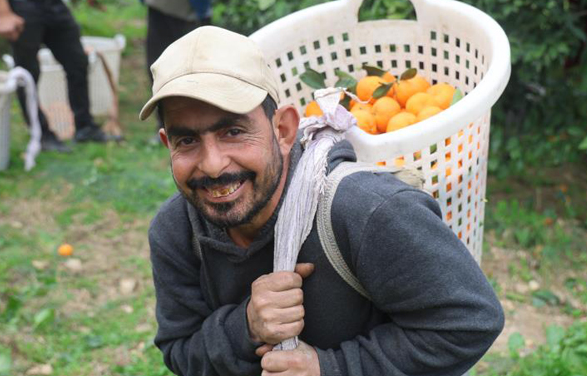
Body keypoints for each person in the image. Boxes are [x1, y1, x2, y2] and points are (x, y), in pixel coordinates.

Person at [141, 26, 504, 376]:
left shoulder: (366, 209)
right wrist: (247, 326)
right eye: (186, 141)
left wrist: (330, 368)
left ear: (283, 129)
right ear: (166, 144)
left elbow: (468, 322)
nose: (213, 164)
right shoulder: (177, 229)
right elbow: (180, 349)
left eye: (233, 132)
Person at [0, 0, 112, 151]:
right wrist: (3, 12)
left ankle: (85, 127)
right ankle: (41, 134)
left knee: (77, 61)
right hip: (21, 3)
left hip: (54, 2)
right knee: (28, 73)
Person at [125, 0, 211, 134]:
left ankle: (200, 122)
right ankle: (167, 124)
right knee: (158, 66)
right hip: (159, 0)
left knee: (196, 67)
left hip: (188, 2)